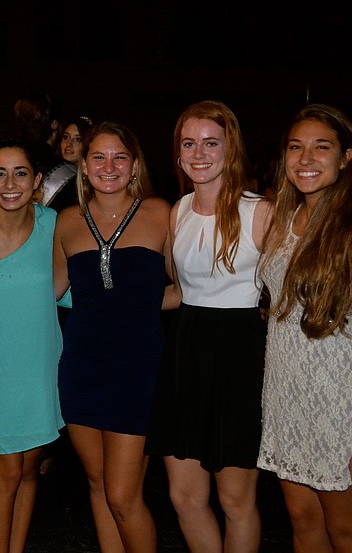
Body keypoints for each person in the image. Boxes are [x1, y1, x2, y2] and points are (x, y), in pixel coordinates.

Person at [257, 104, 352, 552]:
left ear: (347, 157)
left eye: (322, 148)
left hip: (341, 407)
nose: (305, 159)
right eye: (296, 148)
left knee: (348, 535)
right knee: (303, 525)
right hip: (287, 401)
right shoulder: (281, 220)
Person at [145, 100, 271, 553]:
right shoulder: (176, 211)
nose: (199, 153)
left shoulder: (261, 213)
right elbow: (179, 290)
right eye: (189, 143)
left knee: (236, 500)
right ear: (177, 155)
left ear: (230, 149)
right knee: (184, 497)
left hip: (240, 359)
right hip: (185, 353)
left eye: (211, 143)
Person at [53, 121, 172, 553]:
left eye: (119, 156)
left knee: (124, 495)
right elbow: (51, 291)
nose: (109, 166)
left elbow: (184, 290)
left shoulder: (160, 213)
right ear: (83, 166)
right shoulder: (66, 221)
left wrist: (136, 304)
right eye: (98, 157)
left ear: (134, 164)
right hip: (82, 364)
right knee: (99, 484)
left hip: (137, 366)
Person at [0, 138, 64, 553]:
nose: (10, 183)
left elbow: (77, 285)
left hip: (40, 370)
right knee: (5, 475)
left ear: (37, 180)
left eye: (20, 173)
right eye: (0, 173)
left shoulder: (55, 226)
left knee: (27, 472)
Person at [41, 115, 93, 212]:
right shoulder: (47, 168)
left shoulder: (94, 182)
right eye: (66, 137)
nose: (69, 144)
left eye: (78, 140)